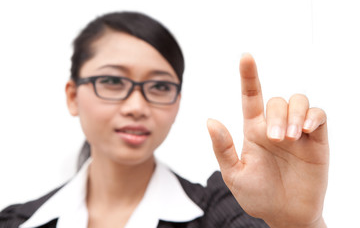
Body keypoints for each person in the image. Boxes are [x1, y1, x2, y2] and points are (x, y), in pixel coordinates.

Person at [0, 11, 329, 228]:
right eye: (113, 81)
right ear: (73, 96)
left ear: (176, 103)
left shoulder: (223, 213)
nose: (136, 106)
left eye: (159, 86)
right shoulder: (15, 222)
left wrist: (297, 223)